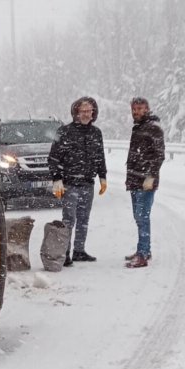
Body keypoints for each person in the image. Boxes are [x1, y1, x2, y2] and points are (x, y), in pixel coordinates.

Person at [48, 96, 107, 266]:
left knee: (83, 219)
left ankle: (79, 251)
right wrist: (57, 179)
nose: (87, 114)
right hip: (69, 183)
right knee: (69, 219)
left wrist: (103, 177)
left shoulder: (96, 133)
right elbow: (54, 158)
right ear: (76, 112)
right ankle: (64, 253)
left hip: (88, 183)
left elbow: (100, 157)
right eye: (83, 111)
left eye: (89, 111)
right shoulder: (64, 132)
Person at [124, 97, 165, 269]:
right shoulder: (138, 127)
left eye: (140, 108)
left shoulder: (154, 128)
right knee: (138, 217)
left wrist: (151, 176)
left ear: (147, 109)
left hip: (146, 182)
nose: (137, 112)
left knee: (143, 217)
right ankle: (144, 249)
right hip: (134, 180)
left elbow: (159, 154)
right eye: (134, 109)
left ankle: (142, 255)